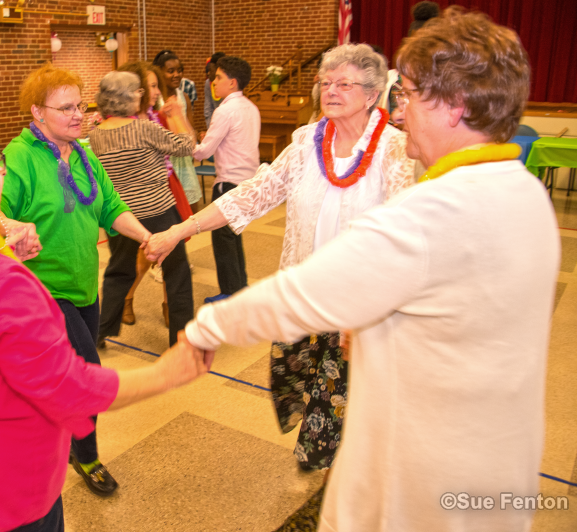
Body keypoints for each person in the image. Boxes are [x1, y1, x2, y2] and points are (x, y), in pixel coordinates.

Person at [181, 8, 556, 532]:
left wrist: (204, 329)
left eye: (409, 95)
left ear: (455, 106)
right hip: (496, 466)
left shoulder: (430, 210)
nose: (399, 111)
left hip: (427, 474)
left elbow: (312, 292)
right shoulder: (527, 193)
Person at [0, 111, 210, 532]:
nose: (0, 170)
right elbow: (71, 389)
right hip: (8, 482)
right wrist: (166, 373)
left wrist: (1, 248)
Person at [147, 43, 414, 477]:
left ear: (371, 94)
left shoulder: (395, 149)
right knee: (295, 377)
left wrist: (373, 308)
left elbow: (404, 235)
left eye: (343, 84)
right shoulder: (307, 142)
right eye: (325, 82)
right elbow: (254, 192)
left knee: (338, 394)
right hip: (304, 294)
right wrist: (180, 230)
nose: (330, 90)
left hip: (359, 304)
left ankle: (337, 466)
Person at [1, 64, 152, 497]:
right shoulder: (19, 157)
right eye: (65, 108)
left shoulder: (84, 154)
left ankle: (57, 433)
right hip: (43, 290)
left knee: (66, 375)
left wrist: (147, 237)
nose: (77, 115)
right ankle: (86, 456)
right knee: (87, 373)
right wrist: (14, 227)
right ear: (37, 112)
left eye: (80, 106)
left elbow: (110, 206)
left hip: (85, 283)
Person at [89, 71, 195, 347]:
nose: (141, 94)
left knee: (119, 272)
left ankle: (98, 333)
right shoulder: (144, 128)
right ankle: (181, 342)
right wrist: (177, 116)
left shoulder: (96, 134)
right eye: (137, 90)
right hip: (158, 211)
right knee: (177, 272)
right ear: (125, 96)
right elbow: (186, 146)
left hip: (120, 216)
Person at [116, 61, 191, 326]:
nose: (157, 91)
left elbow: (186, 144)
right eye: (152, 86)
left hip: (166, 187)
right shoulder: (121, 122)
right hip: (138, 194)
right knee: (142, 255)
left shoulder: (158, 117)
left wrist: (177, 116)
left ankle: (170, 304)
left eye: (157, 85)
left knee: (173, 250)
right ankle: (126, 297)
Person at [192, 56, 261, 303]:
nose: (214, 81)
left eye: (219, 77)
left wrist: (189, 146)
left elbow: (203, 152)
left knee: (223, 240)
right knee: (233, 236)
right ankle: (239, 286)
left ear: (232, 83)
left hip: (229, 183)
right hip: (248, 181)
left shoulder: (225, 110)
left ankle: (230, 293)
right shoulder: (250, 107)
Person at [153, 51, 203, 211]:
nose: (177, 75)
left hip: (184, 162)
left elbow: (190, 130)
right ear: (160, 72)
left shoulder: (184, 97)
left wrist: (196, 136)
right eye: (171, 71)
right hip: (165, 162)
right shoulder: (155, 100)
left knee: (191, 210)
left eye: (179, 70)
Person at [204, 52, 225, 128]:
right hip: (214, 124)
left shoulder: (229, 84)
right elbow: (208, 109)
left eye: (210, 70)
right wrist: (211, 128)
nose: (208, 73)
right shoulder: (208, 83)